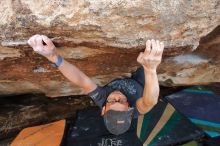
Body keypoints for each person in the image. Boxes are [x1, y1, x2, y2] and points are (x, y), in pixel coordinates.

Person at [28, 34, 164, 135]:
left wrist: (53, 57)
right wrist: (150, 69)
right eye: (122, 101)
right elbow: (150, 101)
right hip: (140, 83)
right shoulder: (135, 110)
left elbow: (81, 80)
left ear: (103, 109)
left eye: (112, 101)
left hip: (125, 81)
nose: (117, 96)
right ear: (129, 108)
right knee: (147, 65)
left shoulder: (101, 99)